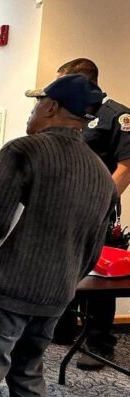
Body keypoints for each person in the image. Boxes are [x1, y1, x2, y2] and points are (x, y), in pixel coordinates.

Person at [0, 74, 116, 397]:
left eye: (36, 103)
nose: (32, 111)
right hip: (56, 296)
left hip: (3, 292)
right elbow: (93, 250)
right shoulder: (102, 172)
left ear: (52, 107)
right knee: (27, 376)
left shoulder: (22, 151)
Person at [53, 58, 130, 370]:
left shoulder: (118, 116)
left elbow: (125, 168)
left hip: (98, 209)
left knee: (100, 276)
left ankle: (99, 343)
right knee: (66, 268)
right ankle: (65, 328)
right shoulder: (71, 115)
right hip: (64, 206)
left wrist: (97, 202)